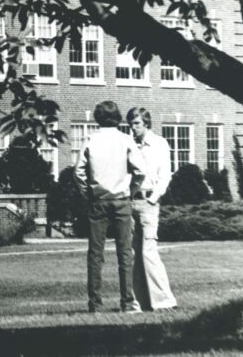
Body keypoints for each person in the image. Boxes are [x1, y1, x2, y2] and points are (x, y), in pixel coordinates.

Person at [74, 101, 146, 313]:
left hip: (98, 201)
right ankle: (127, 302)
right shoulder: (126, 140)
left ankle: (95, 304)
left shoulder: (90, 140)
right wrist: (131, 191)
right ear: (118, 118)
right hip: (122, 200)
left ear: (97, 118)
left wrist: (88, 193)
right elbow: (140, 171)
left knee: (96, 254)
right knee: (125, 253)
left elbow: (78, 172)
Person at [127, 107, 178, 311]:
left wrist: (153, 199)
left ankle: (164, 301)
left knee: (149, 251)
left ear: (146, 123)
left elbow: (165, 175)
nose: (133, 127)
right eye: (131, 124)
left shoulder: (159, 144)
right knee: (132, 253)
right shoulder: (129, 144)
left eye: (136, 123)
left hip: (149, 202)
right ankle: (139, 303)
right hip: (130, 202)